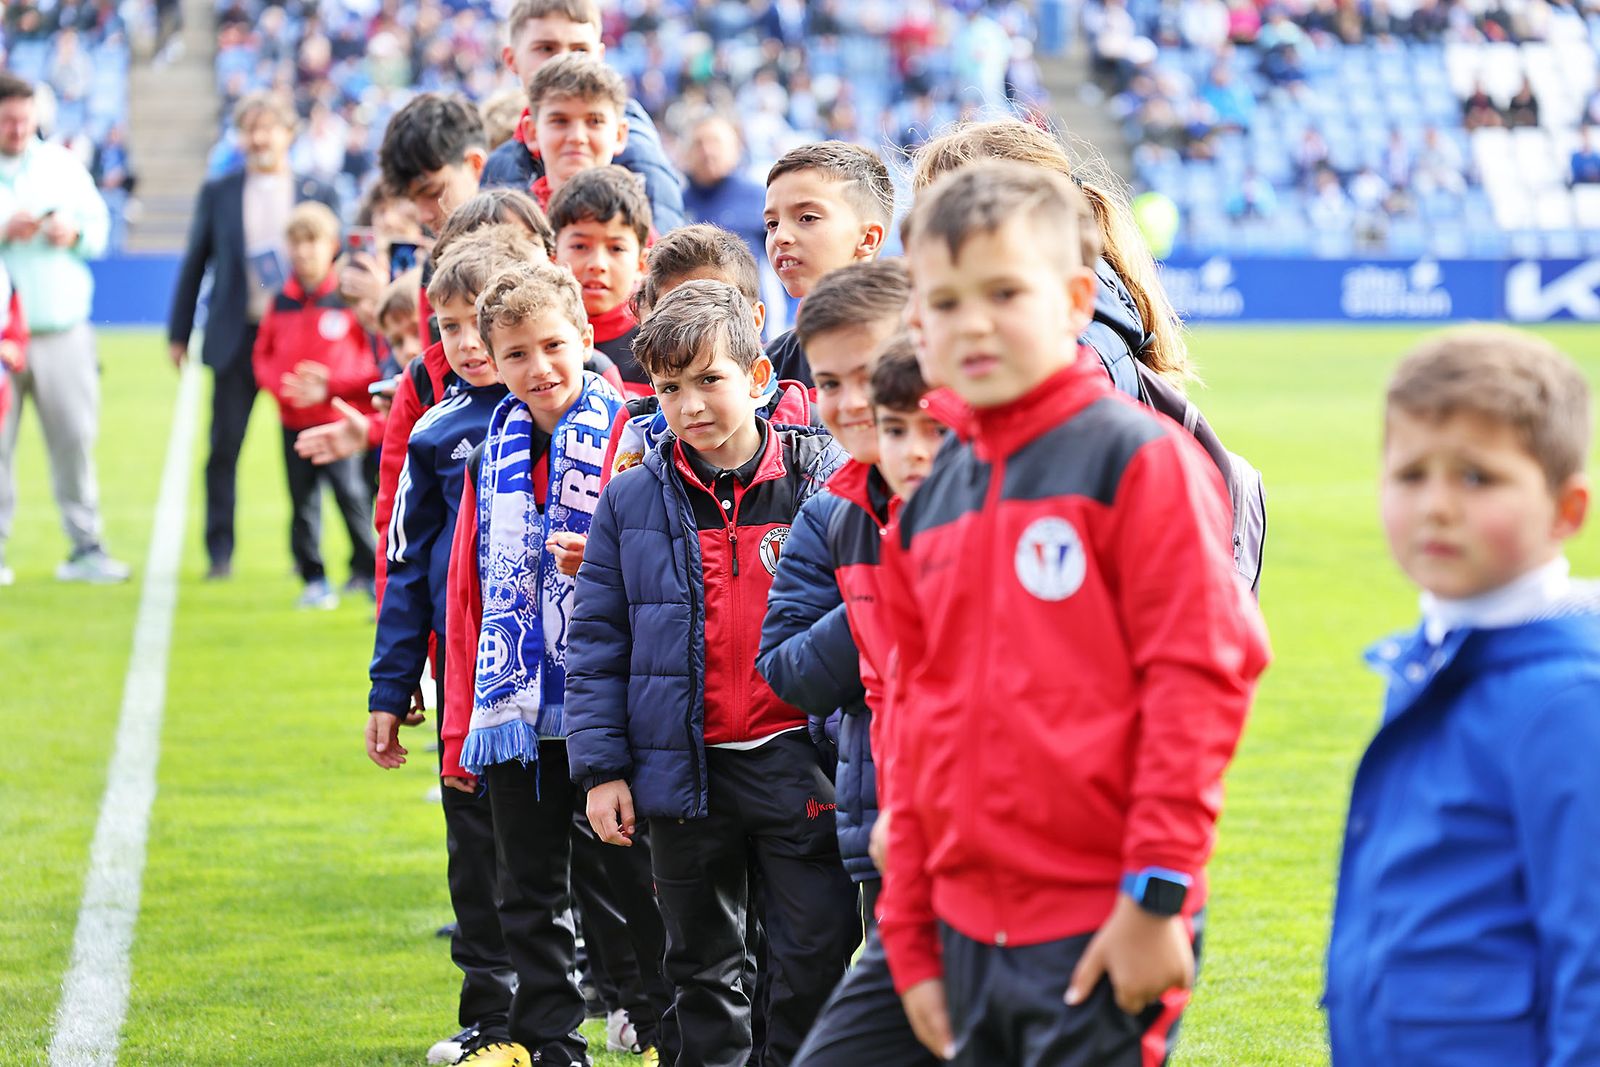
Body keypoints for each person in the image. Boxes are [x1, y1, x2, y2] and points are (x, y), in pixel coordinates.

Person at [878, 162, 1269, 1065]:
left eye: (1004, 292)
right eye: (943, 302)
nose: (972, 322)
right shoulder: (934, 493)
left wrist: (1156, 895)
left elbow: (1201, 678)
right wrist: (908, 925)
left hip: (1104, 914)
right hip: (963, 925)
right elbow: (917, 717)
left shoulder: (1136, 459)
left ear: (1075, 298)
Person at [567, 281, 861, 1067]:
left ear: (758, 378)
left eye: (708, 379)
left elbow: (863, 616)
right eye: (668, 387)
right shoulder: (630, 500)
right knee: (700, 971)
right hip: (681, 773)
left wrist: (838, 746)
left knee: (812, 960)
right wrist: (601, 771)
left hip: (799, 764)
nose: (689, 403)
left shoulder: (819, 485)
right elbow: (596, 643)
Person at [1324, 328, 1600, 1067]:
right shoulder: (1430, 662)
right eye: (1411, 474)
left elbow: (1592, 963)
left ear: (1567, 509)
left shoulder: (1568, 702)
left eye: (1477, 478)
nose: (1437, 506)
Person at [438, 260, 647, 1067]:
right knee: (526, 885)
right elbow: (469, 587)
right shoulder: (492, 449)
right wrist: (464, 710)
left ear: (587, 338)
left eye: (553, 344)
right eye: (517, 352)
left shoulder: (637, 431)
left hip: (612, 701)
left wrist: (596, 560)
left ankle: (662, 1023)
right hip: (514, 708)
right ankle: (551, 1041)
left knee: (631, 881)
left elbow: (668, 570)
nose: (539, 366)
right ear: (493, 357)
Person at [756, 264, 943, 1067]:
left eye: (868, 374)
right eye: (828, 380)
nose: (849, 400)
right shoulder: (833, 511)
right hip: (884, 819)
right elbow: (787, 668)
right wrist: (877, 604)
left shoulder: (990, 493)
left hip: (1000, 844)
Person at [366, 229, 529, 1067]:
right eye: (450, 326)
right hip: (466, 687)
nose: (468, 344)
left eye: (481, 323)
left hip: (557, 689)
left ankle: (589, 1015)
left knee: (564, 859)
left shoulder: (575, 413)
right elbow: (402, 569)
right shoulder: (436, 432)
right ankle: (492, 1022)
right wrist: (391, 688)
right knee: (477, 857)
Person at [168, 90, 339, 580]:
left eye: (269, 128)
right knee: (224, 448)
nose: (259, 138)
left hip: (300, 339)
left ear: (289, 133)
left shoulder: (317, 190)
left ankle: (308, 556)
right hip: (235, 335)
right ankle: (219, 553)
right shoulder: (219, 190)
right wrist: (179, 333)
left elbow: (340, 259)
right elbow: (196, 261)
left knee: (306, 449)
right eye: (250, 128)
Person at [0, 72, 124, 585]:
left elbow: (99, 230)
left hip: (60, 328)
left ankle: (85, 545)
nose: (17, 128)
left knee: (74, 439)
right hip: (2, 336)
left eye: (24, 119)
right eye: (8, 120)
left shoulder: (61, 165)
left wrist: (72, 233)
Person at [250, 201, 378, 609]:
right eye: (297, 243)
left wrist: (333, 390)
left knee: (351, 496)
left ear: (332, 246)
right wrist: (283, 389)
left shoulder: (347, 300)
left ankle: (368, 570)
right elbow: (263, 355)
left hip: (337, 423)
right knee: (301, 503)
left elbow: (373, 365)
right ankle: (313, 577)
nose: (304, 252)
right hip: (293, 422)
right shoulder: (281, 301)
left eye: (313, 242)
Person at [481, 0, 686, 232]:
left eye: (580, 50)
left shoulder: (635, 152)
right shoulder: (500, 164)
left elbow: (662, 257)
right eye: (546, 48)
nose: (564, 60)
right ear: (511, 59)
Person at [762, 142, 895, 388]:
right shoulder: (770, 368)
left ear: (868, 238)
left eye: (807, 218)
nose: (780, 237)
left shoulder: (913, 343)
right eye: (772, 223)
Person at [549, 165, 650, 391]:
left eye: (616, 248)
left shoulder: (658, 345)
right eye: (580, 246)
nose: (597, 264)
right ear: (553, 257)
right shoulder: (536, 340)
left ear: (641, 263)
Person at [520, 55, 631, 215]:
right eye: (560, 121)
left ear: (619, 135)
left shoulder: (636, 231)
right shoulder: (516, 224)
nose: (577, 137)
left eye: (594, 121)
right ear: (532, 133)